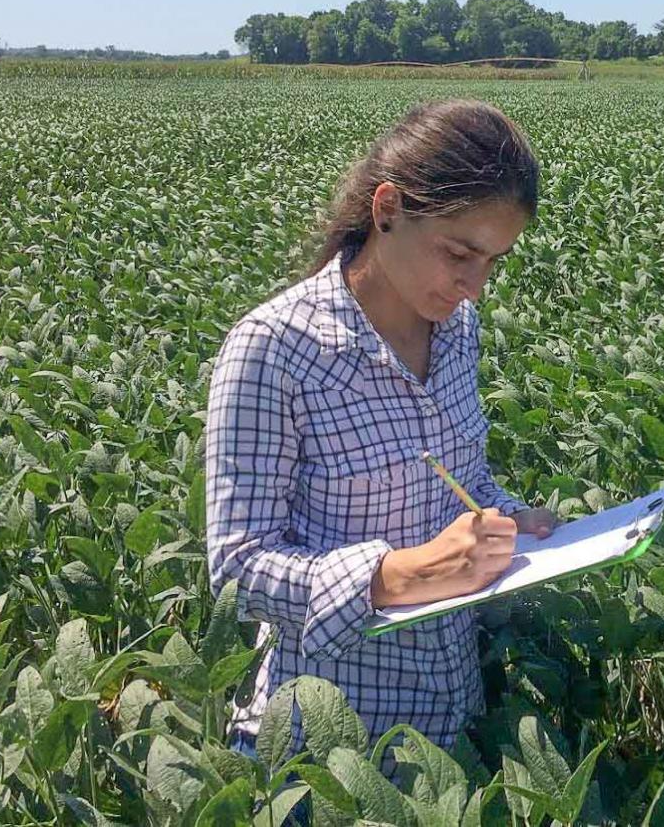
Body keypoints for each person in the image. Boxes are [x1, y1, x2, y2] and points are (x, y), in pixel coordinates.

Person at [204, 99, 559, 812]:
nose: (473, 285)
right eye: (459, 253)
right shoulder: (275, 348)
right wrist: (397, 574)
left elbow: (461, 476)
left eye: (492, 262)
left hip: (448, 732)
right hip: (324, 756)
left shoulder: (458, 332)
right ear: (388, 208)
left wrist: (508, 520)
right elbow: (236, 568)